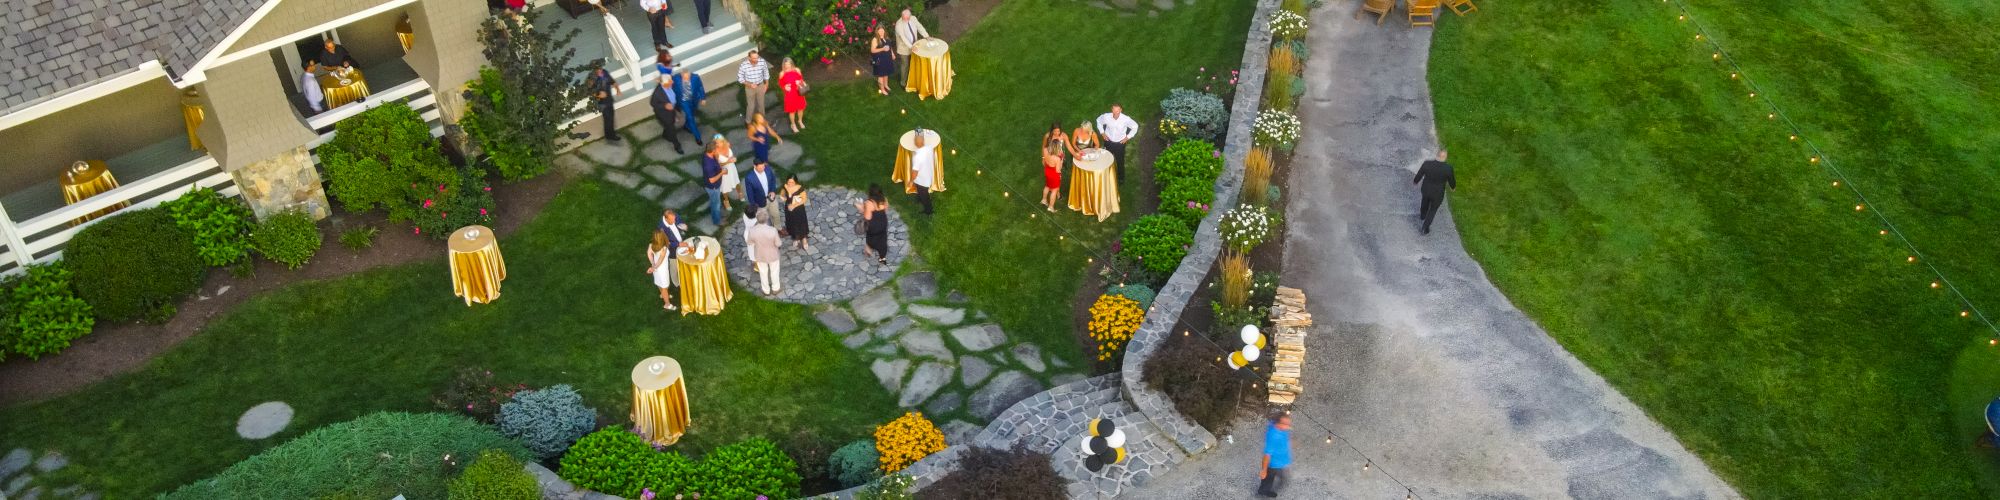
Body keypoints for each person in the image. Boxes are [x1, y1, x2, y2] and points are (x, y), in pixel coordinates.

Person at [1412, 149, 1457, 235]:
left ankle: (1422, 215)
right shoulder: (1448, 169)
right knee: (1433, 209)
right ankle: (1425, 227)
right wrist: (1453, 187)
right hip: (1438, 193)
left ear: (1437, 155)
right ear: (1445, 157)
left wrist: (1415, 181)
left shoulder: (1427, 164)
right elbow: (1452, 180)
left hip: (1426, 189)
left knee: (1424, 201)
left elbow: (1419, 174)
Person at [1095, 104, 1140, 178]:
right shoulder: (1106, 116)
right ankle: (1106, 175)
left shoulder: (1126, 119)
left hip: (1120, 143)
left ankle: (1121, 178)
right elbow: (1098, 120)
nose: (1116, 112)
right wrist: (1102, 132)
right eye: (1114, 110)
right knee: (1106, 159)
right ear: (1111, 110)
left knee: (1120, 161)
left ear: (1121, 110)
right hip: (1108, 141)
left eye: (1118, 110)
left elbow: (1135, 126)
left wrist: (1127, 137)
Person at [669, 65, 708, 146]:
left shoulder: (695, 77)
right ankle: (698, 137)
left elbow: (700, 87)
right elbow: (670, 88)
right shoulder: (675, 79)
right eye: (685, 78)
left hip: (694, 100)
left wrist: (703, 98)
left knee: (691, 114)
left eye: (688, 77)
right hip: (683, 102)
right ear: (681, 75)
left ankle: (686, 126)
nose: (687, 79)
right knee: (691, 118)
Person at [892, 8, 930, 88]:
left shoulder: (913, 18)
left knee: (913, 62)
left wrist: (926, 36)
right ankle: (903, 83)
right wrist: (911, 47)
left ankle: (912, 78)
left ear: (910, 16)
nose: (905, 19)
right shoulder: (898, 25)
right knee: (905, 65)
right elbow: (903, 38)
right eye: (903, 18)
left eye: (907, 18)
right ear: (902, 16)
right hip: (904, 49)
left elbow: (919, 27)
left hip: (914, 45)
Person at [748, 211, 783, 295]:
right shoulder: (772, 230)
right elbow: (778, 243)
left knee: (763, 272)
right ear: (767, 219)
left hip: (760, 255)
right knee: (774, 271)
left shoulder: (752, 230)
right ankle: (775, 288)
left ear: (757, 219)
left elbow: (749, 242)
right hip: (772, 254)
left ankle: (766, 290)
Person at [1259, 413, 1293, 497]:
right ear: (1278, 423)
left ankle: (1280, 482)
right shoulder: (1273, 436)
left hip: (1282, 461)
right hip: (1273, 464)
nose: (1288, 426)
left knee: (1283, 477)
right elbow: (1267, 455)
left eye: (1289, 423)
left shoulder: (1282, 429)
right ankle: (1263, 491)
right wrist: (1264, 470)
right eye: (1285, 424)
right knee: (1268, 479)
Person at [649, 76, 685, 154]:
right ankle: (677, 146)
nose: (672, 82)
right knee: (672, 129)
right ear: (664, 84)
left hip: (672, 109)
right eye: (670, 82)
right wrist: (664, 106)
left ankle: (665, 134)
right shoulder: (657, 93)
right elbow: (652, 103)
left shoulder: (668, 85)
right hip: (665, 115)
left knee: (670, 126)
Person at [647, 230, 680, 311]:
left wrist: (652, 264)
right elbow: (660, 261)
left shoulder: (651, 245)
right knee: (665, 287)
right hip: (662, 270)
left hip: (657, 270)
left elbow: (649, 253)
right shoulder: (664, 248)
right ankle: (667, 304)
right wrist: (654, 267)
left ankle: (663, 295)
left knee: (660, 283)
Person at [858, 184, 890, 265]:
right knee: (882, 239)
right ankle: (882, 258)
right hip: (883, 223)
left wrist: (861, 208)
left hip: (873, 225)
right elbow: (885, 210)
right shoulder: (884, 199)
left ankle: (868, 249)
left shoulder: (869, 203)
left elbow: (867, 218)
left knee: (871, 238)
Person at [737, 50, 772, 122]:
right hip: (749, 87)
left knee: (761, 104)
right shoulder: (744, 65)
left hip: (760, 85)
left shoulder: (762, 62)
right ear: (749, 58)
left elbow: (766, 72)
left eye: (757, 57)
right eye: (754, 58)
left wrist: (766, 84)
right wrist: (749, 84)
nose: (757, 60)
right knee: (751, 106)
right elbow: (740, 78)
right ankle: (748, 121)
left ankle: (762, 120)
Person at [1040, 123, 1068, 212]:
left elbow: (1044, 159)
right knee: (1054, 190)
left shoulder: (1045, 151)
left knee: (1047, 186)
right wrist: (1061, 160)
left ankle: (1044, 200)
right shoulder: (1057, 159)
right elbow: (1058, 170)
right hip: (1054, 174)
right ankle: (1051, 207)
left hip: (1047, 171)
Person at [909, 130, 937, 215]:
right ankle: (920, 198)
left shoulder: (917, 157)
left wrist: (910, 182)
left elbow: (915, 172)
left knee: (924, 196)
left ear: (916, 143)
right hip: (928, 175)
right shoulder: (929, 148)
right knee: (921, 192)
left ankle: (928, 211)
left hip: (922, 181)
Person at [591, 65, 622, 143]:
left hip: (609, 100)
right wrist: (598, 95)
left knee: (611, 117)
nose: (600, 71)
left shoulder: (605, 72)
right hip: (602, 103)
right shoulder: (592, 79)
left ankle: (610, 134)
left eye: (600, 69)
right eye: (597, 70)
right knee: (607, 119)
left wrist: (618, 89)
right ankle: (610, 135)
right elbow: (591, 92)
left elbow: (612, 81)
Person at [778, 58, 808, 132]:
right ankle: (793, 124)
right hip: (790, 94)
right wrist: (785, 87)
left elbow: (801, 79)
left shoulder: (797, 70)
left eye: (789, 64)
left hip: (799, 92)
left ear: (792, 63)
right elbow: (781, 84)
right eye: (786, 65)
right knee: (792, 111)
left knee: (800, 109)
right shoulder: (782, 73)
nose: (787, 66)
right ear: (783, 65)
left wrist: (800, 82)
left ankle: (800, 121)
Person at [781, 175, 810, 250]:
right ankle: (795, 237)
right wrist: (784, 199)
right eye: (789, 182)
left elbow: (804, 199)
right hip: (789, 209)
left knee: (800, 223)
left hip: (799, 209)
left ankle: (804, 239)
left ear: (796, 182)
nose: (790, 183)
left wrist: (794, 205)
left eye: (792, 182)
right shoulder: (785, 187)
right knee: (791, 223)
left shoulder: (800, 188)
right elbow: (782, 195)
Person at [701, 142, 727, 225]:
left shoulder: (707, 154)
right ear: (713, 151)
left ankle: (717, 215)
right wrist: (722, 173)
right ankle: (717, 221)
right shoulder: (708, 165)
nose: (718, 150)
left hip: (713, 186)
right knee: (715, 204)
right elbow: (712, 180)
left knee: (715, 202)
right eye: (717, 149)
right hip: (713, 187)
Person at [714, 134, 740, 210]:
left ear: (723, 141)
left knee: (736, 182)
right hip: (724, 171)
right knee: (725, 187)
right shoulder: (716, 152)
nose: (718, 144)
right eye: (716, 143)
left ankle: (740, 194)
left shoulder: (727, 145)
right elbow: (717, 164)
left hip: (732, 168)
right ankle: (726, 201)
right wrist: (727, 162)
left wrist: (733, 158)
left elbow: (731, 156)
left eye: (720, 142)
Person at [869, 27, 896, 96]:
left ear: (884, 30)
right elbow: (872, 50)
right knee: (881, 74)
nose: (881, 31)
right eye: (879, 30)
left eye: (882, 30)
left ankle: (886, 85)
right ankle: (882, 89)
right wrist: (882, 49)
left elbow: (890, 47)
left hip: (887, 58)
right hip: (879, 59)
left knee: (886, 73)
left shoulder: (886, 37)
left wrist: (892, 54)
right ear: (877, 31)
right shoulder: (875, 39)